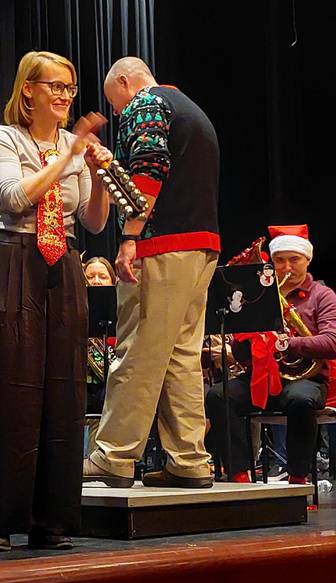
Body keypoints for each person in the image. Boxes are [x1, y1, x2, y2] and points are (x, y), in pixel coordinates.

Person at [0, 50, 112, 552]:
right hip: (14, 260)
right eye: (54, 85)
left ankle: (50, 520)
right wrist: (68, 155)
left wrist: (96, 174)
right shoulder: (3, 139)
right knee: (13, 392)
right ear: (27, 90)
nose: (63, 95)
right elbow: (15, 197)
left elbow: (94, 221)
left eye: (70, 88)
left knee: (62, 392)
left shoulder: (69, 148)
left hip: (64, 265)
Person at [83, 56, 220, 489]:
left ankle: (113, 455)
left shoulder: (147, 104)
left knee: (136, 351)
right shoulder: (193, 111)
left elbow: (148, 169)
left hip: (162, 247)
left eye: (115, 102)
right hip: (203, 246)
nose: (120, 112)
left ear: (126, 82)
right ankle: (189, 459)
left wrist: (130, 237)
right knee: (181, 356)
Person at [206, 225, 336, 483]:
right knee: (218, 396)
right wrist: (246, 339)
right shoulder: (258, 297)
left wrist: (288, 344)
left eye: (294, 259)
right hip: (261, 378)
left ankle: (298, 478)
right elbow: (244, 357)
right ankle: (239, 475)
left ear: (307, 260)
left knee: (300, 400)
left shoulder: (323, 296)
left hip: (305, 379)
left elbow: (332, 341)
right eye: (279, 260)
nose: (287, 267)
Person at [83, 257, 116, 456]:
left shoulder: (121, 315)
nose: (96, 281)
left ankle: (104, 458)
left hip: (110, 382)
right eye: (90, 277)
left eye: (102, 276)